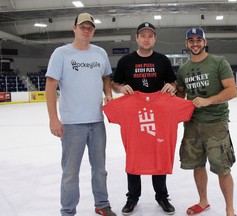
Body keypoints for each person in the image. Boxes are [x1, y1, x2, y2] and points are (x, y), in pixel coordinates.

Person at [45, 12, 116, 216]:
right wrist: (53, 119)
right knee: (70, 173)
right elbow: (51, 86)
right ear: (74, 28)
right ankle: (68, 211)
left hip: (96, 122)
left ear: (93, 31)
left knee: (100, 169)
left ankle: (102, 204)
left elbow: (105, 78)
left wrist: (109, 94)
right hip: (72, 124)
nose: (86, 30)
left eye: (90, 28)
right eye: (83, 27)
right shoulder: (61, 53)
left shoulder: (100, 53)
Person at [112, 22, 177, 215]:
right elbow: (115, 83)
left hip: (159, 115)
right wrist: (120, 88)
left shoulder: (163, 60)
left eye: (150, 36)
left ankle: (162, 197)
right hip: (134, 115)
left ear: (154, 39)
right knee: (134, 153)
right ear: (137, 38)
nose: (146, 39)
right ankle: (132, 198)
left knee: (159, 151)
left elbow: (173, 81)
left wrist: (172, 87)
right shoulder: (125, 61)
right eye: (143, 35)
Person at [176, 27, 237, 216]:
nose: (195, 44)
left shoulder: (219, 63)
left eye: (198, 40)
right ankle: (203, 201)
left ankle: (230, 210)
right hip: (192, 125)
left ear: (205, 42)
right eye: (191, 40)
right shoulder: (183, 69)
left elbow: (232, 91)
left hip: (215, 124)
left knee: (222, 168)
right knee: (197, 165)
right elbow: (180, 95)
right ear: (186, 44)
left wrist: (208, 101)